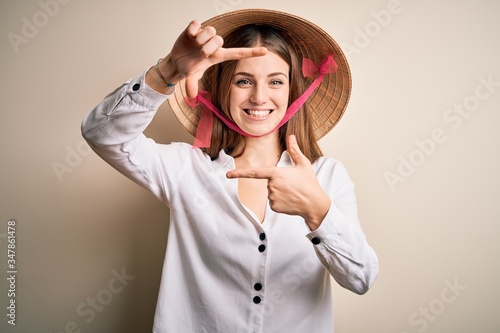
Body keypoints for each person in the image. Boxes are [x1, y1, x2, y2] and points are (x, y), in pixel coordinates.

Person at [82, 9, 379, 333]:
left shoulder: (328, 176)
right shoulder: (185, 169)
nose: (259, 96)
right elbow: (102, 134)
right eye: (243, 81)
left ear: (293, 90)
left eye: (276, 81)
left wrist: (317, 211)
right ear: (224, 87)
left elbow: (361, 278)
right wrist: (167, 69)